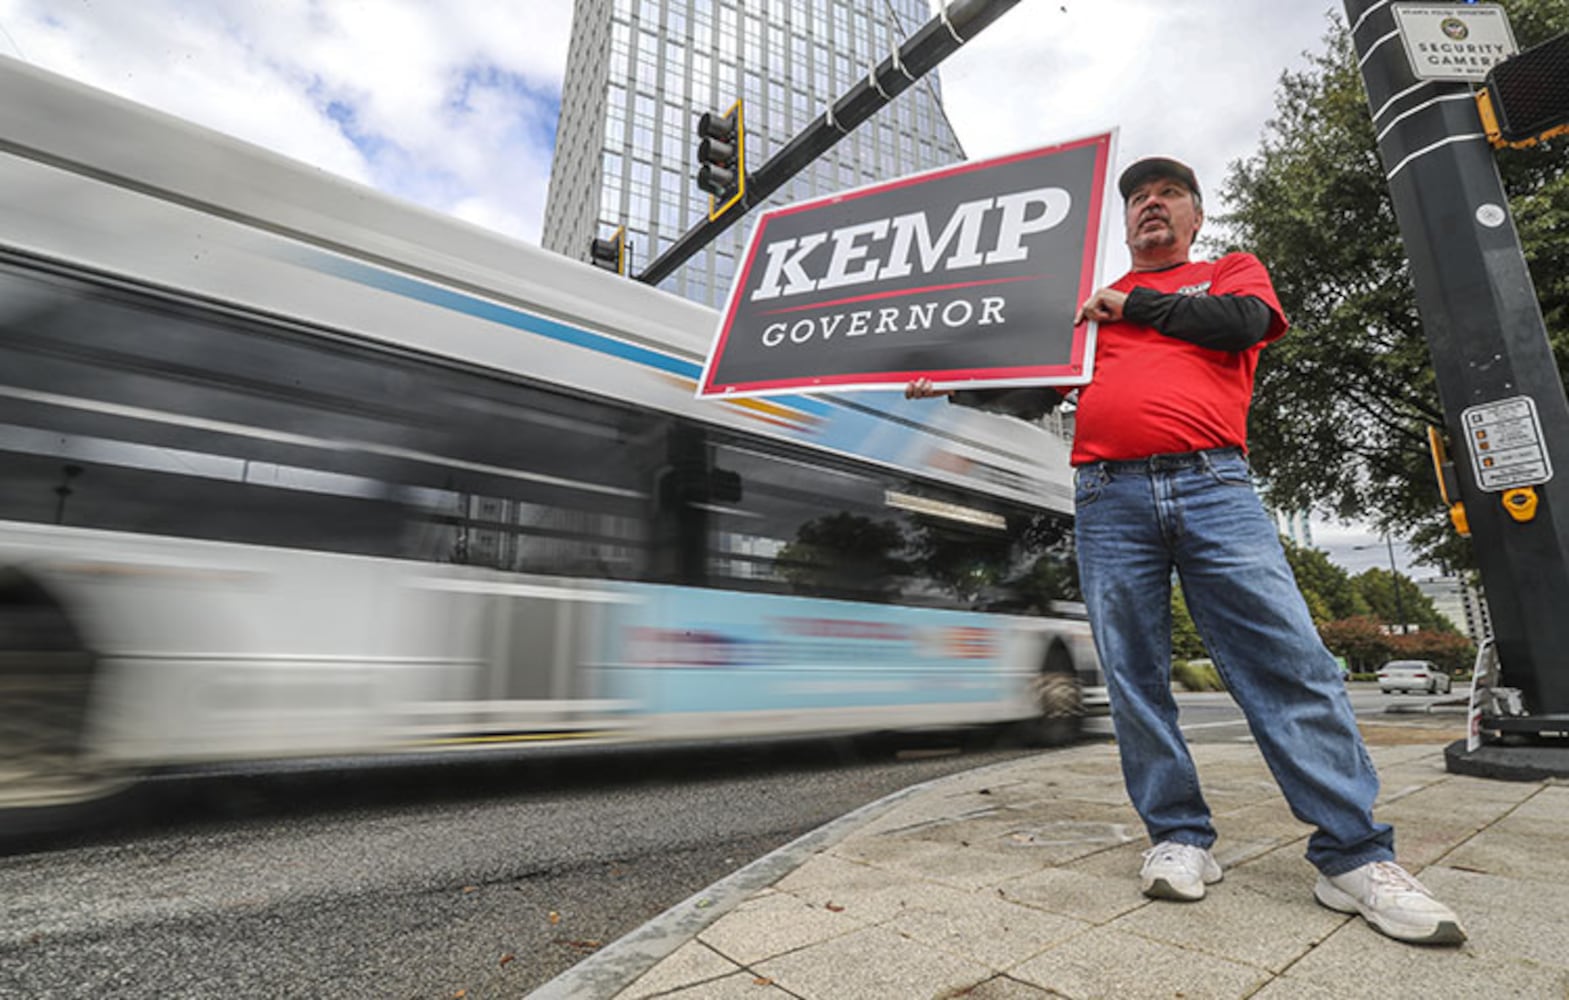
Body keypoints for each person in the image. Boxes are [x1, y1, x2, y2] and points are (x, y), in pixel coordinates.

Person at [906, 156, 1465, 946]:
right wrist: (952, 383)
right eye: (1137, 198)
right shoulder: (1091, 310)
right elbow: (1033, 389)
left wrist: (1130, 304)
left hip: (1213, 486)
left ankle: (1353, 857)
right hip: (1107, 496)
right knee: (1133, 673)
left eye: (1167, 194)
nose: (1149, 205)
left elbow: (1241, 325)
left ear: (1195, 217)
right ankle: (1179, 836)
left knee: (1287, 662)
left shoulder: (1225, 275)